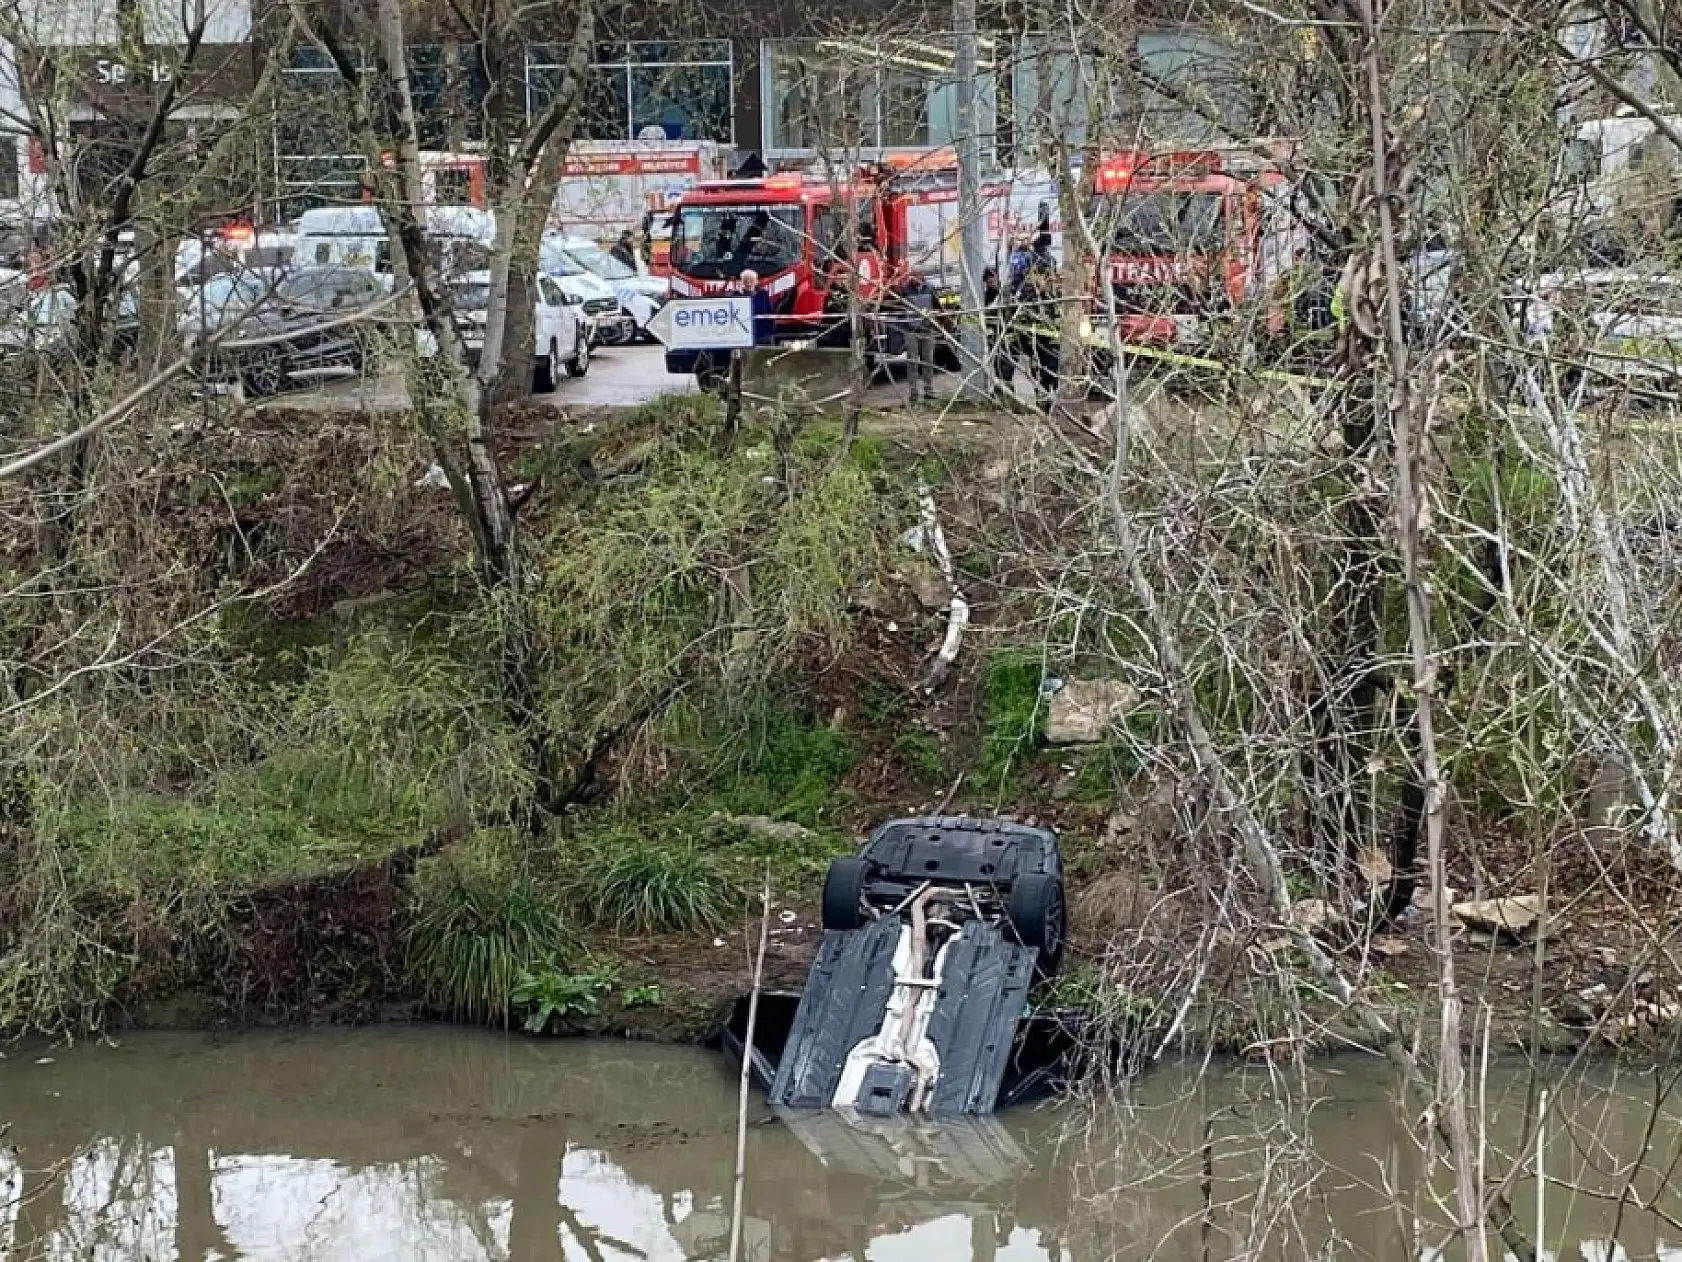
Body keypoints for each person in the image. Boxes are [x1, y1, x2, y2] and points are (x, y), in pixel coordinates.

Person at [900, 274, 937, 405]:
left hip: (927, 329)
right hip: (911, 331)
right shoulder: (905, 290)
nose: (914, 280)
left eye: (917, 277)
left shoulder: (930, 289)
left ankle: (928, 389)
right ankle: (913, 391)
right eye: (912, 277)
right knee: (912, 361)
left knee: (928, 360)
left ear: (922, 279)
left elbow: (936, 306)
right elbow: (900, 309)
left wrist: (934, 320)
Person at [739, 269, 774, 346]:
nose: (748, 283)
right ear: (742, 282)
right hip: (742, 335)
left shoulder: (763, 294)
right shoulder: (736, 295)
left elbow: (769, 312)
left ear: (756, 281)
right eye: (745, 280)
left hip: (762, 333)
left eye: (751, 280)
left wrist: (769, 331)